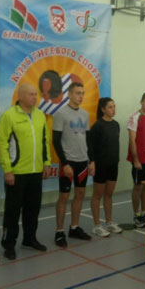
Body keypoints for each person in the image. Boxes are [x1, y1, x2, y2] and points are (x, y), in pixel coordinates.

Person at [0, 84, 51, 260]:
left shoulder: (40, 115)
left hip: (36, 171)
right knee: (12, 211)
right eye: (31, 94)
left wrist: (46, 163)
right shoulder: (9, 116)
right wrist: (7, 170)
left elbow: (45, 140)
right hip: (17, 172)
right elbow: (1, 144)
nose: (35, 97)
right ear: (20, 96)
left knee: (33, 209)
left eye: (36, 94)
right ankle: (9, 244)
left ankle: (29, 239)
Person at [52, 82, 93, 247]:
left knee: (80, 194)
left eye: (82, 93)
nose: (80, 96)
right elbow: (56, 141)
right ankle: (59, 231)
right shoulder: (61, 113)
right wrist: (65, 163)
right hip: (68, 162)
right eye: (77, 93)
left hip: (83, 161)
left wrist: (91, 160)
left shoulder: (85, 114)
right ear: (69, 94)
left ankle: (74, 227)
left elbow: (88, 139)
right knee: (64, 197)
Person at [89, 98, 122, 237]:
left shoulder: (116, 125)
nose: (113, 109)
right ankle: (97, 225)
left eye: (114, 106)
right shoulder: (97, 126)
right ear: (103, 109)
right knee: (97, 195)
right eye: (110, 107)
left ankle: (109, 222)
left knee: (109, 195)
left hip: (113, 165)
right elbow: (91, 147)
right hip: (100, 166)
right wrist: (92, 162)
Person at [127, 92, 145, 228]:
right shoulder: (134, 117)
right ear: (141, 102)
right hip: (139, 160)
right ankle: (136, 214)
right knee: (137, 187)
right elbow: (132, 140)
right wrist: (136, 159)